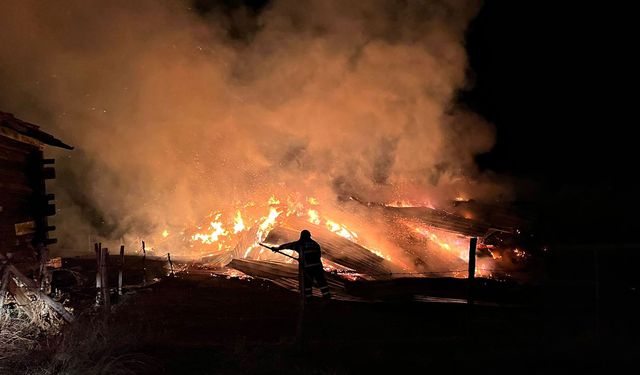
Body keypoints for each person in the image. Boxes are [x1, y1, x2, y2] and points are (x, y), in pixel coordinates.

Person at [270, 230, 331, 301]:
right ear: (309, 236)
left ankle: (309, 300)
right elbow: (319, 255)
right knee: (322, 282)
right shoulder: (315, 244)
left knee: (307, 284)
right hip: (318, 267)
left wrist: (277, 248)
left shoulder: (300, 244)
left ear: (301, 236)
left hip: (308, 268)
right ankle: (327, 297)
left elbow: (288, 245)